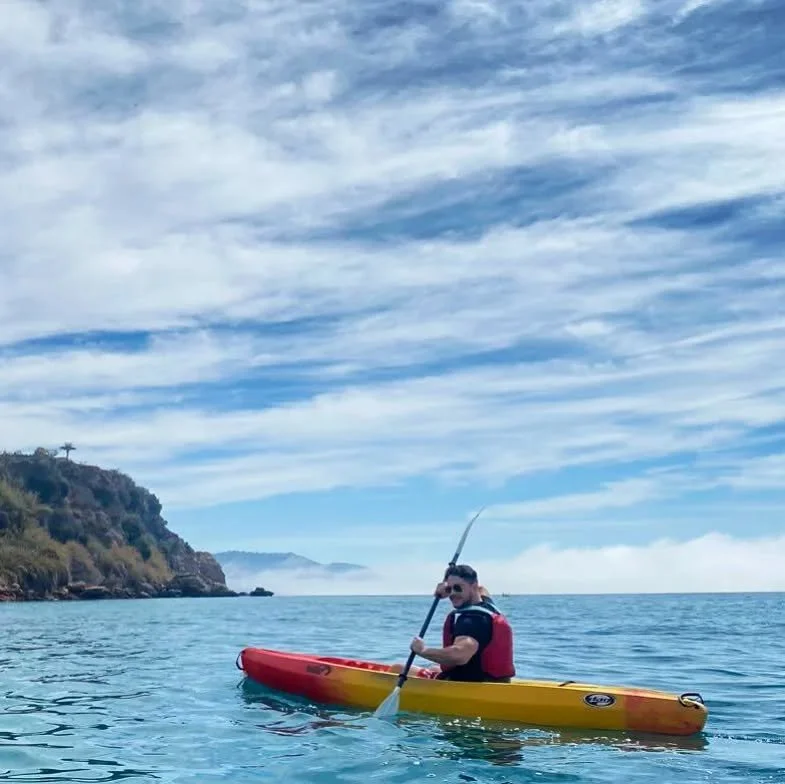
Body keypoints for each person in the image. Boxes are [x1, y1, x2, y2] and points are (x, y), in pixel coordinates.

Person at [408, 564, 515, 682]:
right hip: (496, 681)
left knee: (397, 668)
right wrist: (444, 589)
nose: (452, 593)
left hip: (471, 686)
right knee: (434, 668)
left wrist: (422, 650)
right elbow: (482, 589)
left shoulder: (471, 621)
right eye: (449, 589)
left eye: (458, 588)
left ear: (473, 586)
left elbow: (459, 655)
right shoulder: (487, 604)